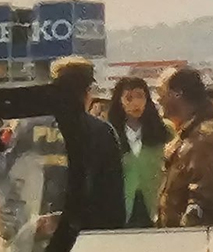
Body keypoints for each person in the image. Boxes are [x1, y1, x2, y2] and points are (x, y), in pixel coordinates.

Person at [50, 57, 127, 229]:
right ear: (87, 92)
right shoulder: (102, 132)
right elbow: (112, 196)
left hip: (35, 234)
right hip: (85, 232)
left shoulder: (29, 127)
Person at [157, 65, 213, 227]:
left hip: (190, 238)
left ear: (177, 94)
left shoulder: (204, 138)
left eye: (163, 93)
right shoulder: (190, 135)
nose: (159, 100)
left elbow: (202, 203)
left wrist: (187, 237)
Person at [106, 75, 171, 227]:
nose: (136, 103)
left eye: (140, 96)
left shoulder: (164, 131)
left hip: (156, 206)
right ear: (119, 102)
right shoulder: (109, 133)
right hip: (121, 207)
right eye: (129, 98)